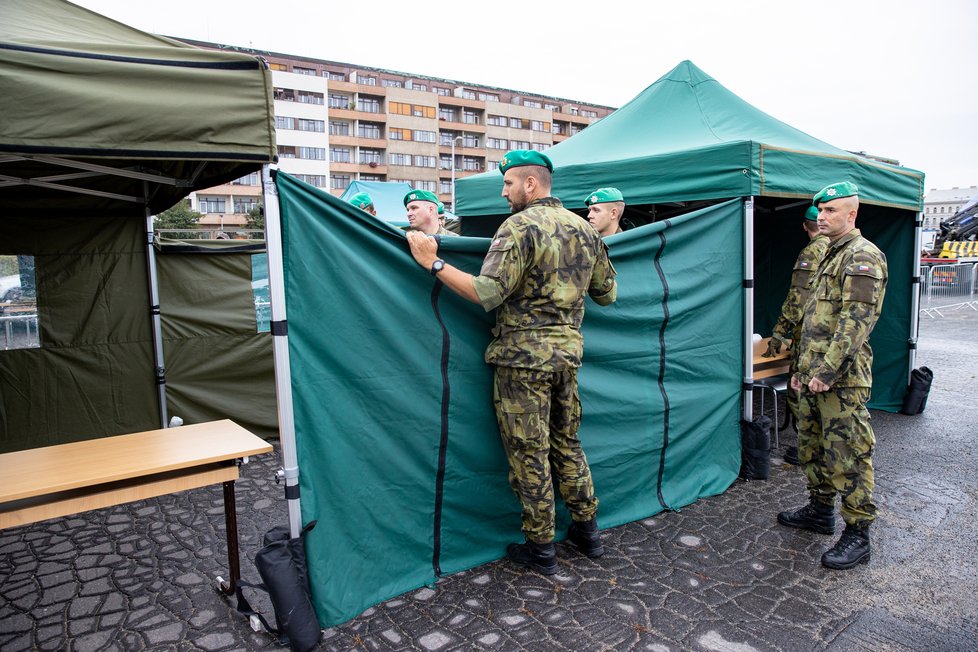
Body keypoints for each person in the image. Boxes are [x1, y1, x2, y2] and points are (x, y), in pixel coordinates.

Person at [405, 150, 617, 575]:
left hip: (522, 361)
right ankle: (587, 530)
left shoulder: (518, 227)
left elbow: (487, 293)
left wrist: (433, 263)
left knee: (530, 451)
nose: (504, 193)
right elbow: (607, 293)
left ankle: (541, 546)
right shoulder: (583, 229)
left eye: (508, 184)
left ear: (530, 184)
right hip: (567, 357)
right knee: (567, 441)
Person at [777, 181, 888, 571]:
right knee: (811, 445)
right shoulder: (827, 253)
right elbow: (813, 319)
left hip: (840, 378)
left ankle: (858, 534)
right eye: (819, 211)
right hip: (811, 373)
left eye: (831, 211)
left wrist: (825, 370)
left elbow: (854, 323)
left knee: (848, 454)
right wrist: (801, 369)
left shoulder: (863, 257)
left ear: (851, 215)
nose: (822, 217)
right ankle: (820, 509)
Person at [763, 204, 830, 464]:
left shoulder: (812, 252)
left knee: (800, 393)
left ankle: (810, 452)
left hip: (810, 336)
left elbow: (796, 299)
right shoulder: (840, 249)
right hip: (832, 338)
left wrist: (779, 334)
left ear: (805, 226)